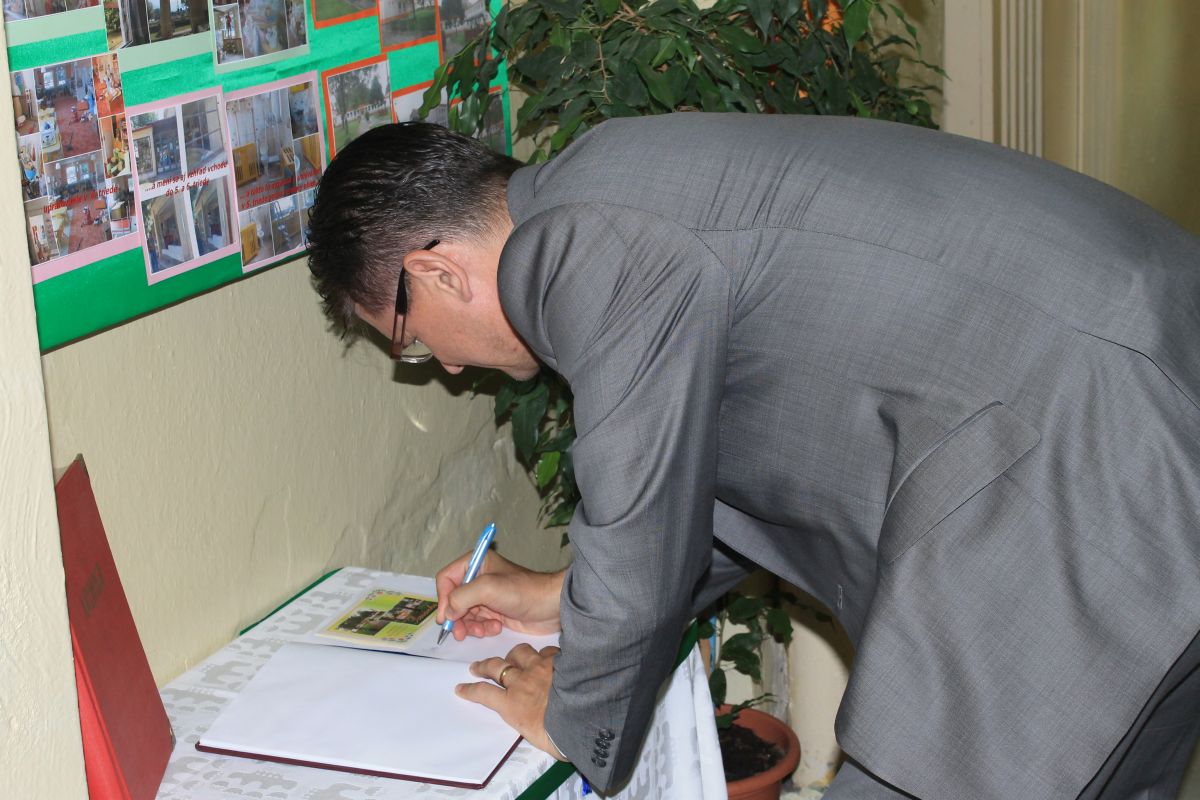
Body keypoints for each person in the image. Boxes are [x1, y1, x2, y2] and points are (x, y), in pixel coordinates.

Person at [304, 115, 1200, 799]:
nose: (445, 365)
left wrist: (573, 714)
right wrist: (557, 594)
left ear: (439, 272)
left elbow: (638, 512)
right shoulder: (608, 183)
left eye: (410, 338)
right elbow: (701, 473)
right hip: (1149, 375)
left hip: (1090, 442)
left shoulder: (579, 248)